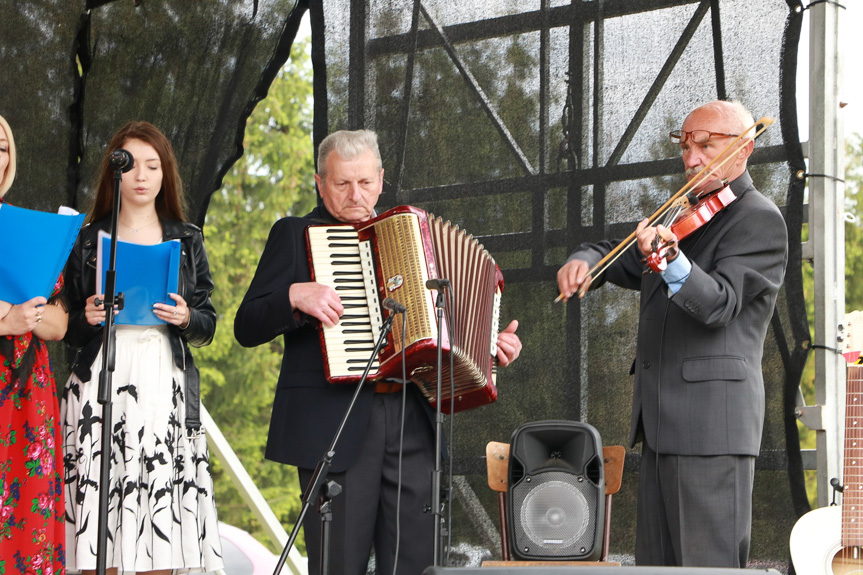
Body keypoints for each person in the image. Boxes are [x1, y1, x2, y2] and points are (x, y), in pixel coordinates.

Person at [235, 129, 522, 575]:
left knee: (415, 565)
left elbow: (441, 330)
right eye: (342, 183)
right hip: (338, 423)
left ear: (382, 179)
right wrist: (293, 294)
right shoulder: (296, 234)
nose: (355, 195)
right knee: (340, 565)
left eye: (365, 183)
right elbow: (246, 325)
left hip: (412, 420)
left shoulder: (411, 238)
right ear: (319, 183)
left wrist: (488, 348)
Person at [557, 100, 788, 567]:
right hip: (662, 426)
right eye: (685, 146)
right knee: (657, 565)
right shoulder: (682, 216)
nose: (691, 157)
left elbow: (720, 304)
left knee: (707, 567)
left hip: (711, 429)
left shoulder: (758, 219)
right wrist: (584, 261)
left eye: (705, 145)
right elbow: (611, 251)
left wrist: (670, 260)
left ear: (743, 149)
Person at [62, 121, 223, 574]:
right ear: (115, 174)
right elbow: (66, 324)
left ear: (164, 174)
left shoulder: (187, 237)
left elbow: (208, 322)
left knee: (160, 524)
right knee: (103, 528)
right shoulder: (88, 238)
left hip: (161, 381)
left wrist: (186, 317)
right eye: (130, 165)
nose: (141, 175)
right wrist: (87, 316)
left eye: (152, 165)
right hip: (102, 382)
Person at [0, 114, 68, 574]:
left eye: (2, 147)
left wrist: (31, 314)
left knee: (31, 525)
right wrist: (7, 319)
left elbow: (60, 322)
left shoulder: (24, 227)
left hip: (29, 396)